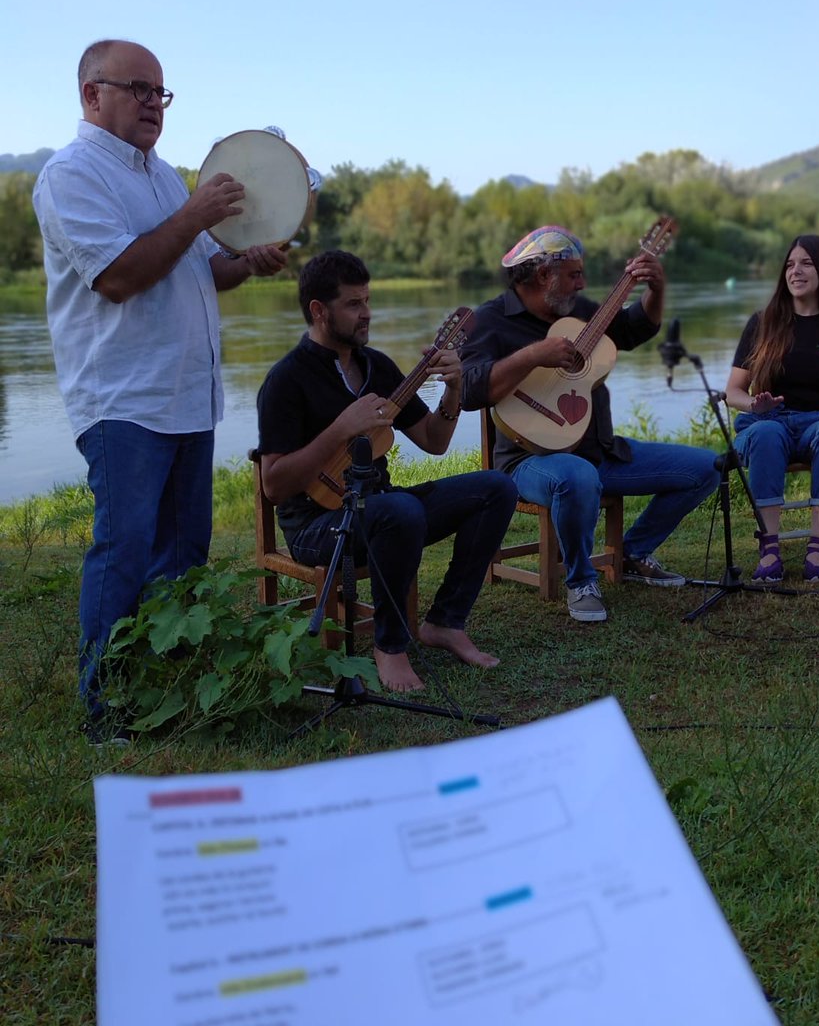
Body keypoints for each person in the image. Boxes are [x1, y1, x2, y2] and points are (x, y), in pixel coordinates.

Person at [32, 39, 289, 741]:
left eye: (160, 92)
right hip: (123, 400)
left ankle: (167, 685)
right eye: (138, 89)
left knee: (182, 556)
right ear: (92, 95)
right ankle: (105, 705)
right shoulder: (70, 175)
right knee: (124, 552)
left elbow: (205, 270)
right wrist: (197, 216)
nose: (153, 104)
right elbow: (119, 276)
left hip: (186, 398)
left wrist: (248, 260)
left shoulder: (166, 179)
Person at [256, 250, 518, 692]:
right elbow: (274, 486)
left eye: (368, 300)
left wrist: (453, 389)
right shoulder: (286, 380)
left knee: (496, 488)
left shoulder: (378, 366)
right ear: (319, 310)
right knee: (400, 511)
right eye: (353, 304)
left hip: (382, 509)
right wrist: (340, 429)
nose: (367, 313)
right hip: (317, 526)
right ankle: (390, 646)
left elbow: (434, 442)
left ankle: (445, 622)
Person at [460, 226, 720, 622]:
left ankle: (633, 552)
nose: (582, 284)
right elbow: (469, 391)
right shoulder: (490, 320)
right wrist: (533, 356)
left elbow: (632, 329)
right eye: (574, 275)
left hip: (601, 451)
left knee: (707, 467)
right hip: (528, 461)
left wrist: (656, 290)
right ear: (543, 275)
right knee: (577, 477)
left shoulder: (577, 310)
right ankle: (581, 580)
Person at [724, 234, 819, 584]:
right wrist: (753, 404)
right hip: (770, 421)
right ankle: (769, 550)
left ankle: (818, 548)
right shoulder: (762, 322)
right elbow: (732, 391)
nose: (796, 271)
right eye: (790, 264)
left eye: (806, 263)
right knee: (765, 432)